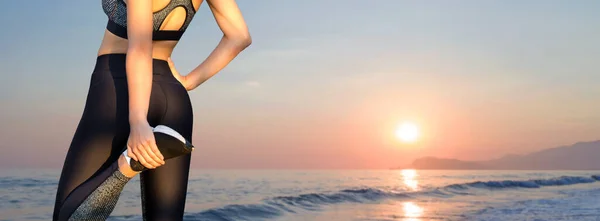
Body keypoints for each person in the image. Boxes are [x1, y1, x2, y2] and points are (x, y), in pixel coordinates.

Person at [52, 0, 251, 220]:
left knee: (66, 214)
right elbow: (240, 37)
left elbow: (140, 49)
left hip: (117, 88)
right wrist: (188, 82)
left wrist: (138, 122)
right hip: (173, 97)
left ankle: (125, 167)